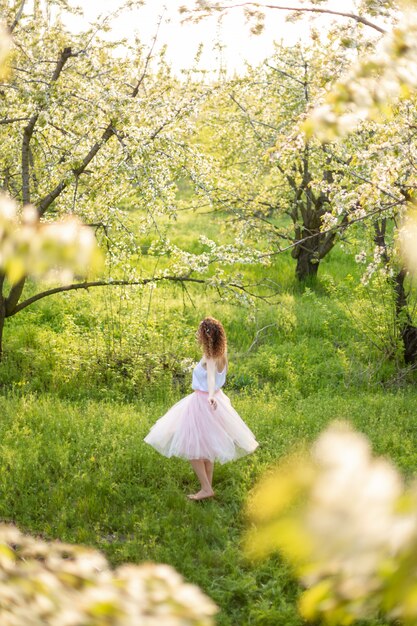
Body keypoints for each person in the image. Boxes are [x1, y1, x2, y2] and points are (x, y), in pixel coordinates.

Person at [144, 316, 259, 500]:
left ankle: (206, 488)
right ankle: (208, 488)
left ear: (206, 335)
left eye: (199, 332)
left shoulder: (210, 357)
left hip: (204, 402)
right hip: (216, 401)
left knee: (193, 447)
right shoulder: (222, 353)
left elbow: (212, 378)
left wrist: (211, 396)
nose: (197, 335)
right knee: (207, 447)